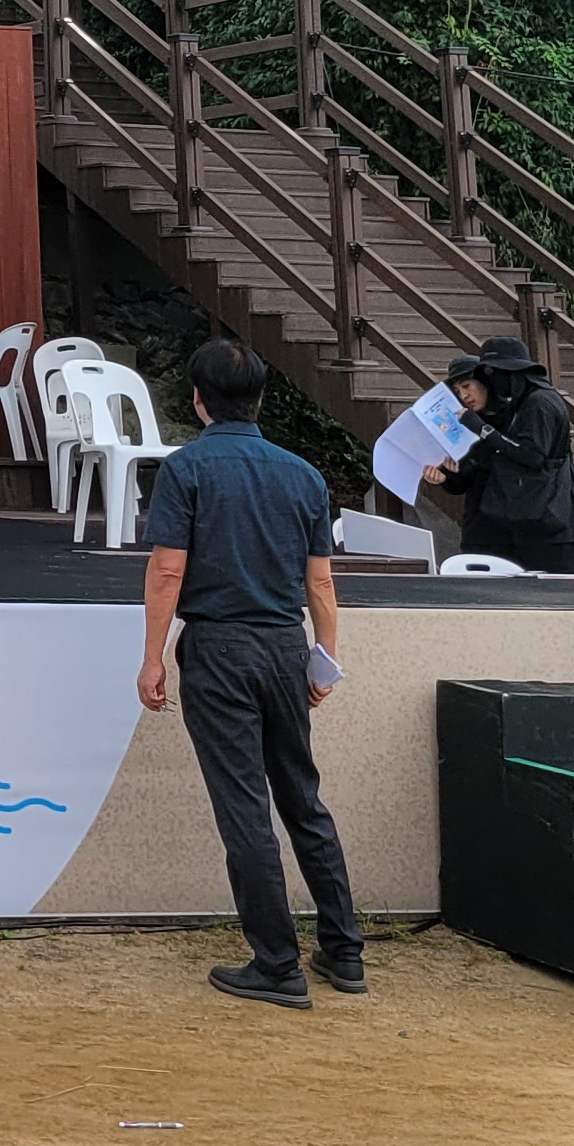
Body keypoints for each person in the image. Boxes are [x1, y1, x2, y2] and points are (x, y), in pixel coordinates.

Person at [137, 337, 365, 1009]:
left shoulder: (186, 470)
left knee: (245, 808)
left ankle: (276, 964)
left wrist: (152, 656)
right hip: (285, 646)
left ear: (197, 400)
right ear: (261, 398)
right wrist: (323, 659)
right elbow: (321, 583)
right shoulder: (304, 476)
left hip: (219, 649)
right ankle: (344, 950)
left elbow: (168, 570)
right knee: (303, 799)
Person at [422, 336, 574, 571]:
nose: (463, 396)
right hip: (489, 527)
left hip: (542, 523)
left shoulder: (534, 404)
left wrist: (483, 430)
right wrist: (447, 477)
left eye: (467, 386)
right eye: (457, 391)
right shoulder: (471, 422)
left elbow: (532, 456)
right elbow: (468, 477)